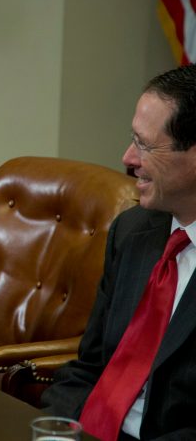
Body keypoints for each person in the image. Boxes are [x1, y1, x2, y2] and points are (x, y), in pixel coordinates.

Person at [41, 64, 196, 439]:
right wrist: (53, 431)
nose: (128, 158)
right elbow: (91, 365)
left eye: (144, 144)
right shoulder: (133, 231)